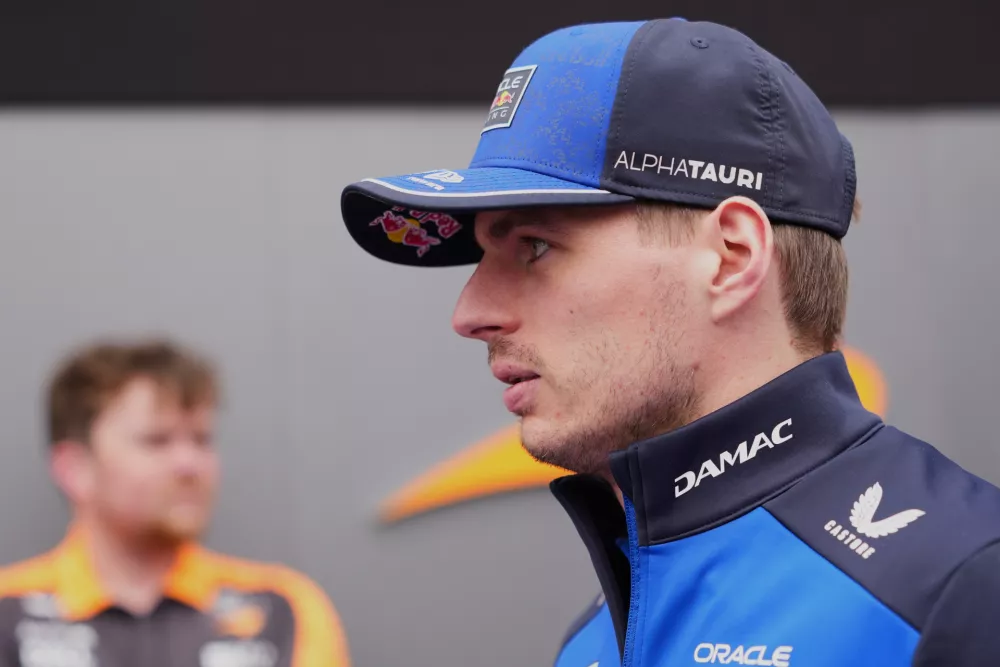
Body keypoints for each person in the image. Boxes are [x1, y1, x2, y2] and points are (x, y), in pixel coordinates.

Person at [339, 17, 1000, 667]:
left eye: (534, 247)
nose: (470, 311)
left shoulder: (962, 587)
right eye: (483, 255)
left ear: (732, 257)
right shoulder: (593, 639)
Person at [0, 338, 351, 667]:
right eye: (156, 441)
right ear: (75, 469)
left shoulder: (283, 608)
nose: (189, 465)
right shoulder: (8, 609)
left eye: (201, 440)